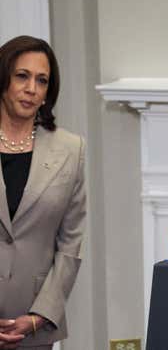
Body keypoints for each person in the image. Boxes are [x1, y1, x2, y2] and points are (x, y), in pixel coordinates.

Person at [0, 36, 86, 350]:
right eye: (22, 76)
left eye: (42, 80)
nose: (31, 88)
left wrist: (40, 315)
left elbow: (71, 242)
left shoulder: (70, 149)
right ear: (3, 78)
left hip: (32, 327)